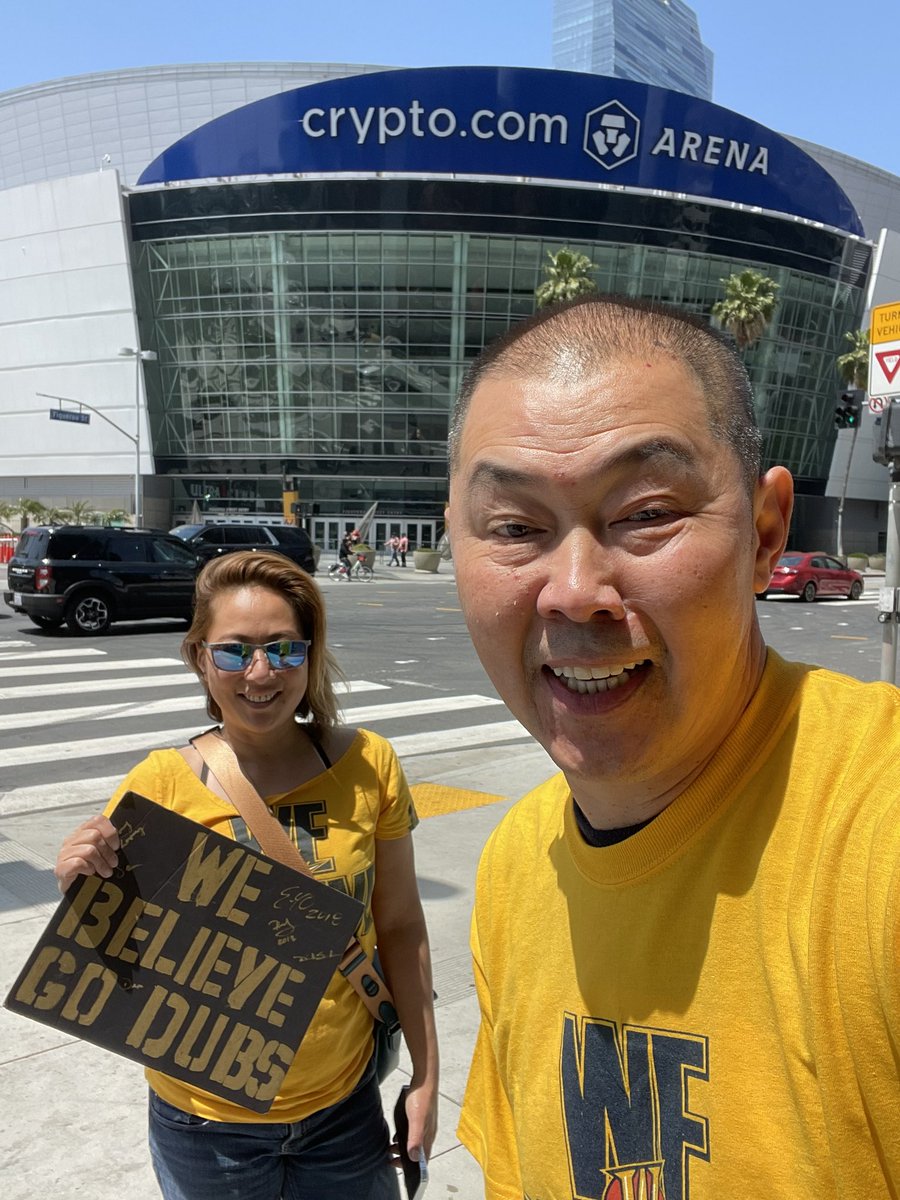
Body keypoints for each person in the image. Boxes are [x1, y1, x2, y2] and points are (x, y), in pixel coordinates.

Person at [445, 295, 900, 1197]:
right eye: (514, 529)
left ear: (766, 535)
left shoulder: (873, 836)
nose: (574, 592)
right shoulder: (514, 869)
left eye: (646, 512)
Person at [54, 550, 439, 1199]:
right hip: (203, 1126)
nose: (261, 672)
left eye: (284, 649)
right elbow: (123, 964)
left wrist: (426, 1076)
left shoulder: (370, 764)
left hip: (343, 1112)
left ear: (310, 655)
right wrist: (81, 885)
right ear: (201, 656)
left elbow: (400, 927)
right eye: (235, 651)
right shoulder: (159, 783)